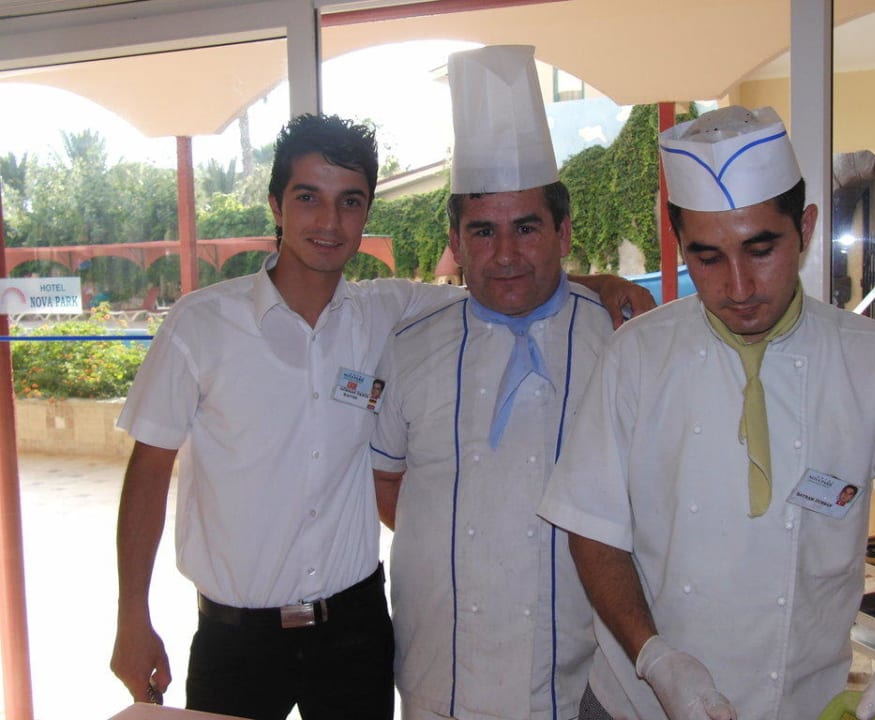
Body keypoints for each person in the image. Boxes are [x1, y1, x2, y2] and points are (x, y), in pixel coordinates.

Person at [109, 112, 651, 720]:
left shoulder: (387, 311)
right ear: (276, 206)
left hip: (354, 633)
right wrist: (133, 618)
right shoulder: (200, 325)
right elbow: (148, 475)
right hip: (237, 639)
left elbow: (501, 280)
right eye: (308, 198)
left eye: (350, 201)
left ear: (366, 213)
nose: (329, 221)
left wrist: (599, 282)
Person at [538, 105, 875, 720]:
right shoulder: (636, 355)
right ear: (681, 246)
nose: (738, 287)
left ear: (806, 228)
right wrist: (654, 658)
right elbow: (591, 525)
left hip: (802, 703)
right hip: (633, 702)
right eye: (708, 258)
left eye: (761, 250)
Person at [370, 45, 653, 720]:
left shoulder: (622, 341)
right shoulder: (410, 347)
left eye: (525, 228)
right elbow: (388, 488)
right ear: (455, 240)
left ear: (563, 231)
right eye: (483, 231)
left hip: (583, 679)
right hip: (441, 669)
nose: (504, 255)